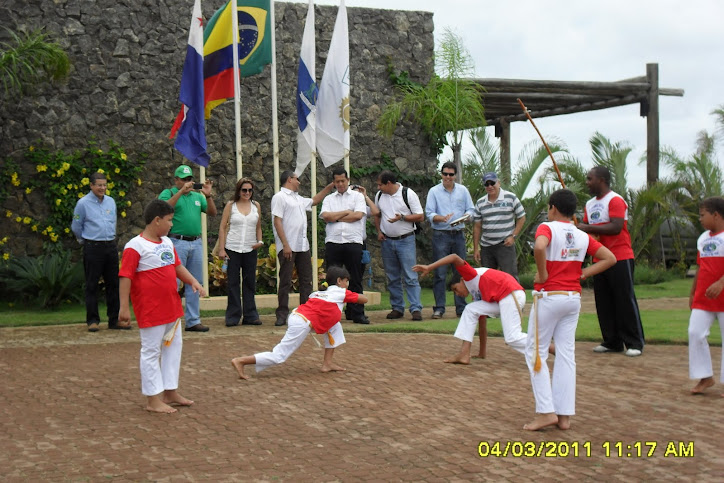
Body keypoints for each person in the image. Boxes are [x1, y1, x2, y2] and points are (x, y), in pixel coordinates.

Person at [524, 189, 615, 431]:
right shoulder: (581, 234)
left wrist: (543, 274)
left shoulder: (547, 227)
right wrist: (583, 273)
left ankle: (546, 411)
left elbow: (540, 247)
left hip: (549, 296)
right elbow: (609, 258)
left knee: (535, 351)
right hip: (572, 298)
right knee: (566, 355)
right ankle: (564, 416)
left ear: (552, 207)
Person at [118, 199, 206, 414]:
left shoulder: (167, 242)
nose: (171, 225)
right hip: (151, 310)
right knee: (150, 351)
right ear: (157, 221)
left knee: (173, 349)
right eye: (168, 221)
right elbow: (125, 277)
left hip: (172, 309)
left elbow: (176, 266)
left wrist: (192, 281)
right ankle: (152, 399)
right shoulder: (134, 246)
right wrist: (123, 307)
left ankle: (170, 390)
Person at [230, 266, 368, 380]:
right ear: (339, 281)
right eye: (346, 281)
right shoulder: (340, 292)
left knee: (335, 327)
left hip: (299, 317)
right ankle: (241, 361)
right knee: (279, 355)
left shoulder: (318, 293)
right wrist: (350, 292)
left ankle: (327, 364)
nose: (347, 284)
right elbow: (364, 299)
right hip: (302, 322)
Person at [577, 166, 645, 357]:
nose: (587, 182)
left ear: (602, 180)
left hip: (620, 257)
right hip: (599, 259)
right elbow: (588, 231)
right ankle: (612, 340)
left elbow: (616, 227)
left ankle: (634, 342)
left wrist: (587, 227)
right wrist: (585, 230)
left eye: (590, 179)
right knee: (603, 301)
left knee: (624, 299)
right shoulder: (589, 204)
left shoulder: (615, 200)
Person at [413, 254, 527, 364]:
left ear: (462, 280)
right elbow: (482, 322)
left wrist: (429, 267)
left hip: (511, 294)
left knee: (512, 338)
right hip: (506, 297)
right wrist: (482, 353)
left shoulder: (469, 275)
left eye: (456, 289)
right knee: (471, 309)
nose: (457, 294)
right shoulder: (476, 292)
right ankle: (464, 354)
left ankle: (542, 345)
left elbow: (454, 257)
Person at [158, 164, 217, 332]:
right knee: (173, 282)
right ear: (176, 180)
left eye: (189, 179)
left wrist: (208, 195)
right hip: (177, 242)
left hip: (196, 242)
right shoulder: (169, 193)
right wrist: (180, 192)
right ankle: (170, 320)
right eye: (183, 179)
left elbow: (212, 212)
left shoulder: (197, 196)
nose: (187, 182)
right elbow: (162, 209)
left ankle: (193, 320)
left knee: (195, 282)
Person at [271, 170, 334, 326]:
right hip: (288, 245)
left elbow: (314, 201)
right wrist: (285, 244)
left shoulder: (298, 199)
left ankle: (305, 313)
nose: (299, 182)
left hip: (302, 245)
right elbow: (277, 221)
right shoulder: (279, 197)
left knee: (306, 280)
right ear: (289, 179)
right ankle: (282, 314)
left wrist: (329, 187)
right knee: (285, 280)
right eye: (296, 179)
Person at [71, 172, 125, 332]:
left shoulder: (111, 202)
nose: (102, 188)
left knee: (113, 284)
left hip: (110, 246)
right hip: (92, 247)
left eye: (104, 185)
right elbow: (76, 226)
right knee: (92, 284)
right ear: (91, 185)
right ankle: (93, 320)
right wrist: (85, 241)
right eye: (99, 185)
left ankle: (114, 320)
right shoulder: (83, 203)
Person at [425, 162, 475, 319]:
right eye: (445, 174)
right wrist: (441, 218)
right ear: (441, 174)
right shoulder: (434, 191)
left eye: (451, 174)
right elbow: (429, 213)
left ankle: (461, 307)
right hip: (441, 234)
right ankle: (439, 308)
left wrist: (466, 217)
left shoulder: (463, 190)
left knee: (461, 271)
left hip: (458, 233)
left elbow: (471, 210)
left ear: (455, 175)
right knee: (440, 273)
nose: (448, 177)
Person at [320, 167, 369, 324]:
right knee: (333, 279)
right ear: (333, 182)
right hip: (333, 242)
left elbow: (358, 215)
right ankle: (331, 313)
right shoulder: (329, 199)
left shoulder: (357, 197)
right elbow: (326, 216)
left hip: (353, 241)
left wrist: (337, 217)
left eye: (342, 180)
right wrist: (346, 213)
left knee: (354, 278)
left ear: (348, 180)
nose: (340, 184)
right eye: (337, 181)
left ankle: (357, 314)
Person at [374, 170, 424, 321]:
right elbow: (377, 214)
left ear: (389, 183)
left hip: (406, 240)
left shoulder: (408, 194)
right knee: (392, 277)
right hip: (387, 241)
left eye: (380, 184)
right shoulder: (380, 196)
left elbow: (420, 216)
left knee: (410, 275)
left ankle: (415, 308)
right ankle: (397, 308)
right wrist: (379, 231)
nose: (378, 187)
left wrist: (402, 217)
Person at [687, 196, 724, 396]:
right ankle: (705, 377)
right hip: (704, 297)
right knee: (695, 332)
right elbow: (701, 268)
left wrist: (721, 282)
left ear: (716, 215)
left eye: (703, 215)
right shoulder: (703, 238)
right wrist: (693, 293)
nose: (700, 219)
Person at [217, 178, 263, 327]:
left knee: (250, 282)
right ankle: (233, 316)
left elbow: (258, 227)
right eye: (244, 190)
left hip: (250, 248)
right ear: (238, 190)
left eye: (250, 190)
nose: (247, 193)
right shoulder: (231, 206)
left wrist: (260, 241)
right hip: (233, 248)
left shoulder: (256, 206)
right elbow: (222, 227)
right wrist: (222, 249)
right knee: (233, 283)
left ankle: (250, 315)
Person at [472, 172, 526, 280]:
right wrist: (476, 249)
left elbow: (522, 217)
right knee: (487, 279)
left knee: (510, 278)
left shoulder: (511, 198)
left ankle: (516, 297)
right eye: (487, 184)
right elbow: (477, 226)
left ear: (498, 183)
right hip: (486, 247)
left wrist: (513, 236)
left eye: (492, 183)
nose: (490, 186)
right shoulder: (480, 203)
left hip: (505, 245)